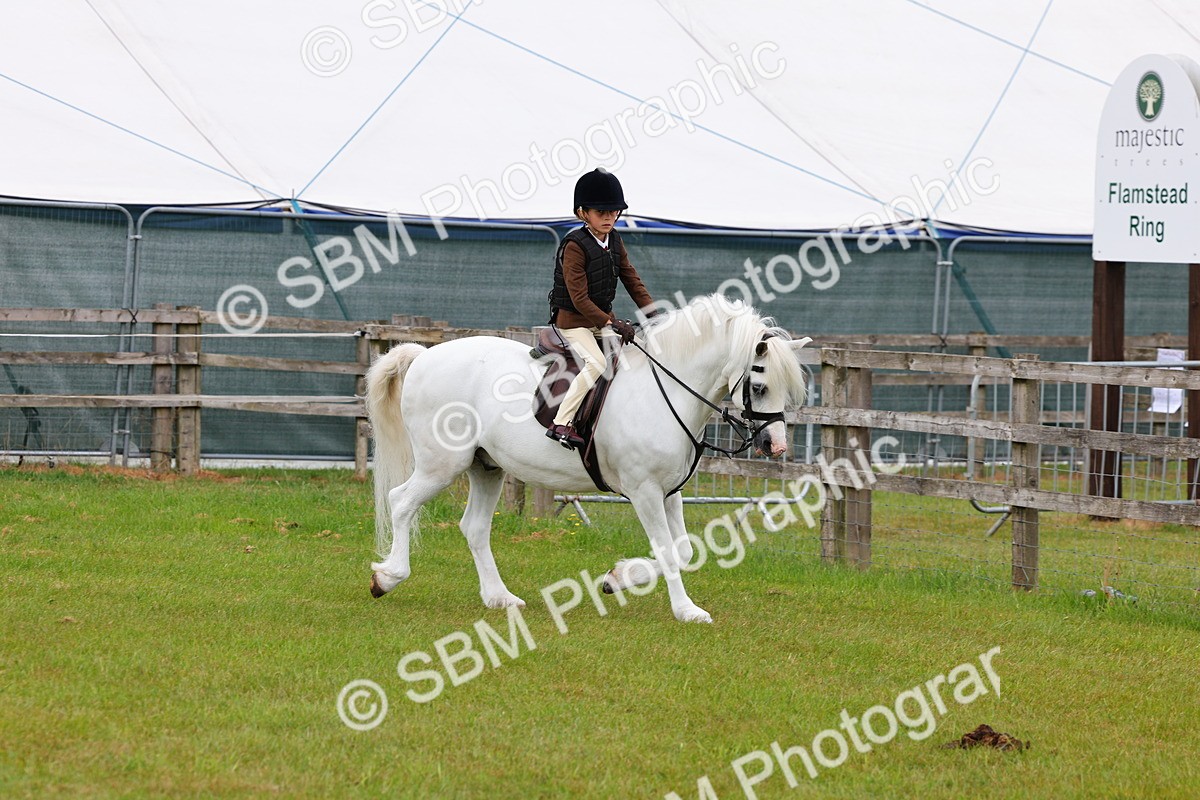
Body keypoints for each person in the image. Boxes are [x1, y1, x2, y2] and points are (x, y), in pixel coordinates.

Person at [545, 167, 655, 449]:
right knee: (597, 363)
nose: (609, 217)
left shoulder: (615, 240)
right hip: (572, 323)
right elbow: (579, 297)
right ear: (582, 212)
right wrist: (610, 323)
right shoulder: (574, 246)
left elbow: (631, 278)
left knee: (639, 351)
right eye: (600, 212)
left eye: (614, 212)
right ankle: (561, 422)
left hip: (599, 322)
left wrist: (653, 314)